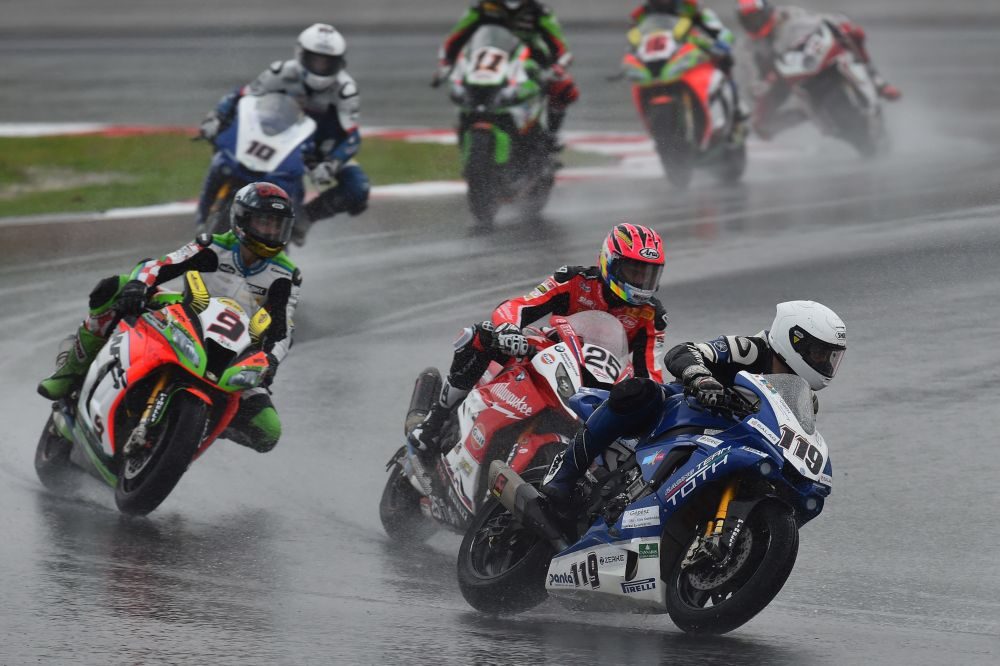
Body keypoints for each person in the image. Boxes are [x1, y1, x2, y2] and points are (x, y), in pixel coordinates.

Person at [37, 182, 303, 453]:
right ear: (242, 219)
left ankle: (197, 427)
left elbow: (284, 331)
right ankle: (71, 371)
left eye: (277, 226)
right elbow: (158, 266)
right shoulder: (212, 246)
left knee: (268, 432)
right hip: (185, 317)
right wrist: (138, 285)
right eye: (264, 223)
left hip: (236, 350)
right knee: (114, 286)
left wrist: (271, 360)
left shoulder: (286, 275)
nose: (271, 232)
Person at [540, 300, 846, 501]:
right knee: (640, 392)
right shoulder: (751, 349)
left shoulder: (802, 398)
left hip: (733, 444)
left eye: (830, 357)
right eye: (820, 353)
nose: (824, 363)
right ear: (795, 340)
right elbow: (684, 351)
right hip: (686, 412)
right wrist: (701, 379)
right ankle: (563, 474)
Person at [408, 223, 670, 458]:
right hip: (551, 354)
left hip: (602, 380)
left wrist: (652, 401)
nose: (641, 282)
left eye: (648, 274)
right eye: (634, 271)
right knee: (480, 335)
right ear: (609, 263)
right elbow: (520, 305)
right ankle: (434, 422)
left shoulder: (652, 315)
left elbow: (650, 373)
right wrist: (509, 329)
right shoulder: (575, 279)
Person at [198, 23, 369, 244]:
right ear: (300, 54)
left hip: (320, 150)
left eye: (327, 61)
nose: (321, 66)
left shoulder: (345, 90)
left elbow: (352, 137)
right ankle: (205, 213)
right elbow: (241, 96)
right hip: (276, 138)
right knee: (224, 158)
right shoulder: (280, 72)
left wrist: (331, 163)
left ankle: (303, 218)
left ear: (340, 62)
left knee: (357, 187)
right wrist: (215, 117)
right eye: (315, 59)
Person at [735, 0, 901, 140]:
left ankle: (878, 82)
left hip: (812, 56)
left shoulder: (788, 15)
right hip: (784, 78)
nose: (754, 24)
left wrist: (838, 23)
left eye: (756, 18)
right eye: (748, 20)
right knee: (761, 126)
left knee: (852, 32)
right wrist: (763, 86)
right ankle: (805, 113)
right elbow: (751, 84)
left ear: (766, 12)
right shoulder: (747, 48)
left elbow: (820, 21)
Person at [433, 0, 580, 149]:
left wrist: (559, 66)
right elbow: (455, 38)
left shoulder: (540, 11)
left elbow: (560, 46)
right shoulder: (482, 7)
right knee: (459, 79)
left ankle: (552, 133)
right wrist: (445, 64)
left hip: (528, 61)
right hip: (487, 60)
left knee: (564, 86)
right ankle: (466, 121)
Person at [631, 0, 748, 139]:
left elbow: (719, 30)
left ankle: (736, 111)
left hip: (689, 55)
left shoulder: (691, 7)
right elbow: (633, 40)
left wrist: (720, 41)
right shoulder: (641, 14)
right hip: (657, 60)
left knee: (725, 60)